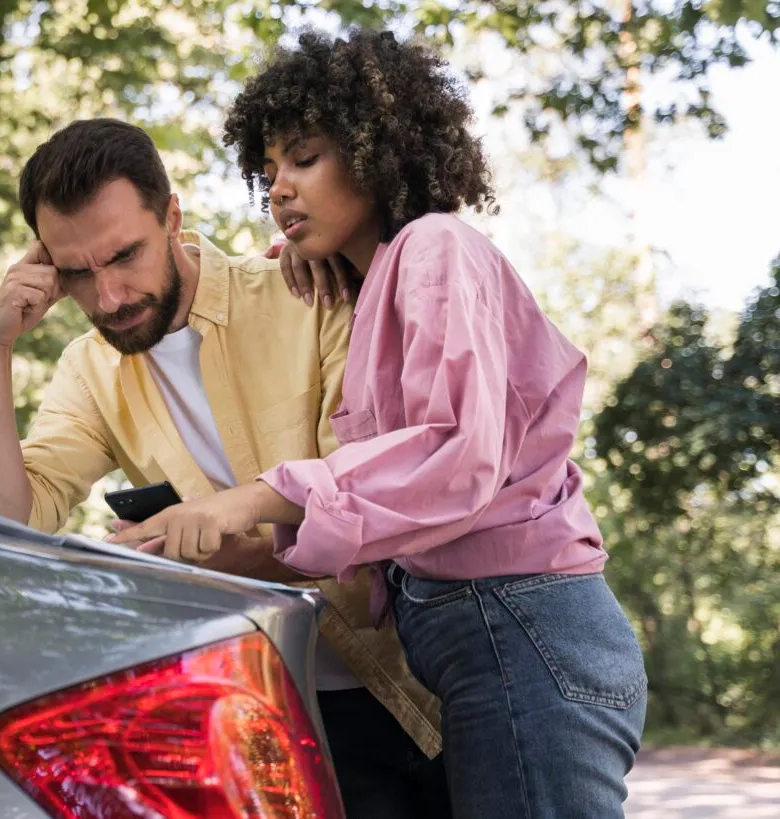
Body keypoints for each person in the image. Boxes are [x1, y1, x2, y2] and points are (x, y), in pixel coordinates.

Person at [108, 30, 649, 818]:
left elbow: (452, 451)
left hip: (525, 633)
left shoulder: (436, 247)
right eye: (268, 174)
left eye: (305, 156)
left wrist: (251, 497)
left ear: (378, 145)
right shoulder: (385, 278)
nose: (280, 188)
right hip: (495, 645)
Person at [0, 118, 452, 818]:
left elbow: (372, 501)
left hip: (418, 681)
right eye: (75, 271)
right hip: (261, 724)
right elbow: (2, 527)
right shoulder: (88, 370)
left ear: (171, 216)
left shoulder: (305, 290)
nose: (108, 297)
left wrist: (195, 559)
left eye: (125, 254)